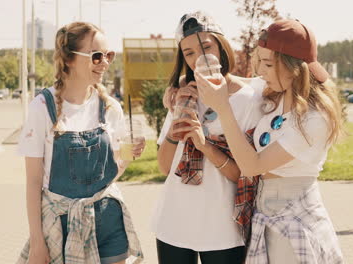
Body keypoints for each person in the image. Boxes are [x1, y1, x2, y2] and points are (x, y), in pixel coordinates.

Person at [196, 19, 344, 263]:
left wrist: (223, 107)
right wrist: (181, 87)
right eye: (259, 62)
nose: (260, 71)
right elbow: (232, 83)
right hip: (267, 218)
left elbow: (253, 166)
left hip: (296, 221)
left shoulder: (315, 119)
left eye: (267, 63)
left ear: (293, 66)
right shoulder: (275, 92)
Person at [16, 22, 144, 264]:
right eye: (97, 56)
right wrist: (37, 241)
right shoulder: (43, 108)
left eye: (109, 55)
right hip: (61, 223)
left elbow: (113, 173)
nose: (105, 62)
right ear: (70, 59)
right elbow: (33, 182)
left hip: (109, 219)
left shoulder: (110, 107)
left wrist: (129, 155)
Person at [152, 11, 265, 264]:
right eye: (189, 53)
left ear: (222, 46)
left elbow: (245, 173)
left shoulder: (247, 100)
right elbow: (163, 167)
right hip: (174, 222)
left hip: (223, 227)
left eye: (206, 47)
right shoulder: (182, 95)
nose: (199, 58)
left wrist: (204, 145)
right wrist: (175, 128)